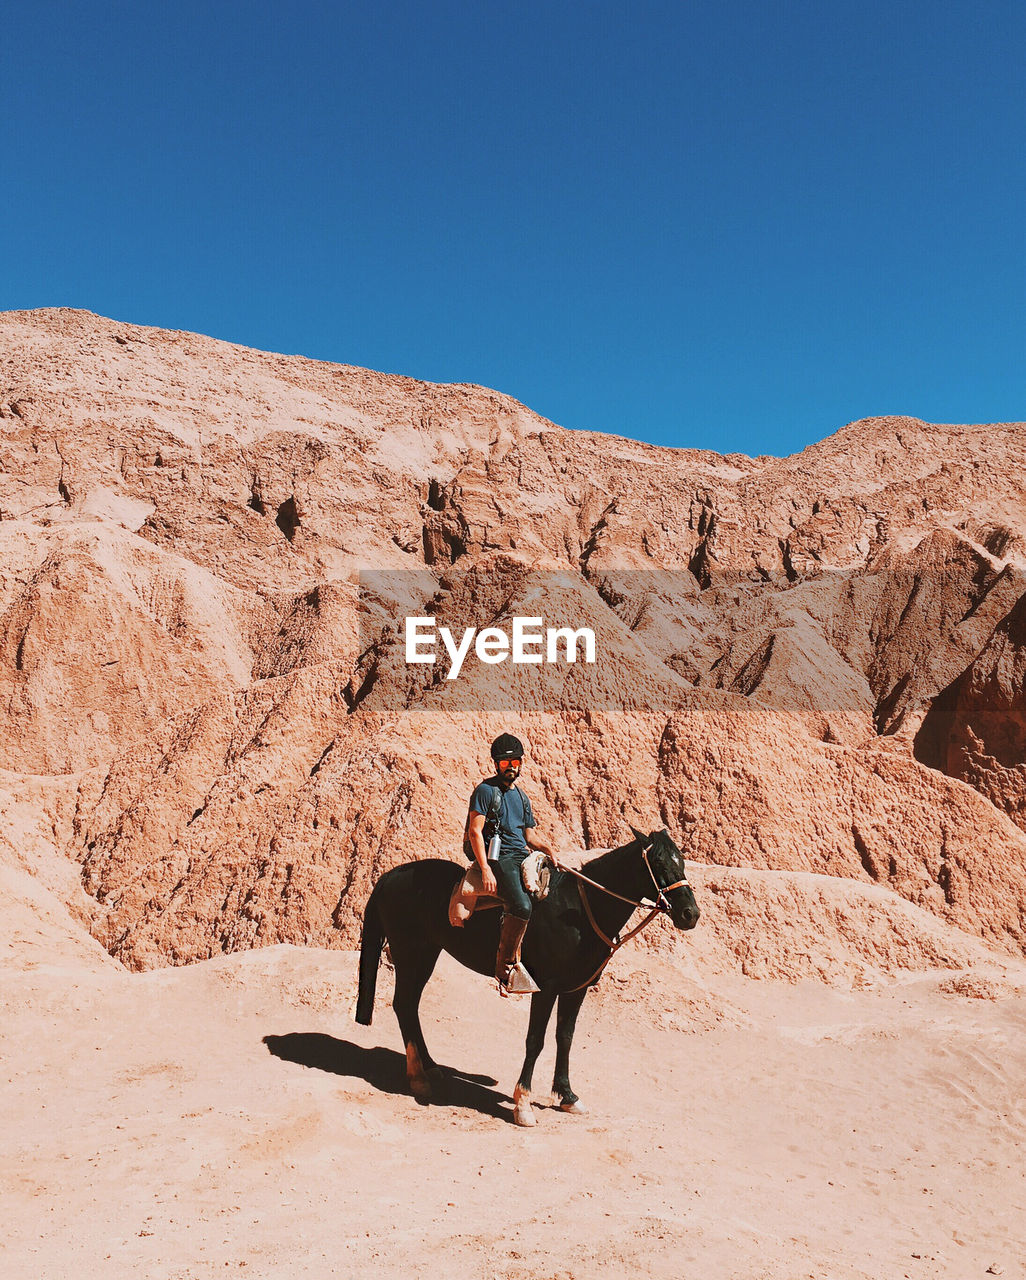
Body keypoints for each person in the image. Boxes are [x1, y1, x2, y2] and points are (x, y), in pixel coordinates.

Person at [465, 733, 555, 994]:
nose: (511, 767)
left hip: (522, 854)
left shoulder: (522, 797)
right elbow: (475, 832)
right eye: (505, 763)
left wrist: (547, 848)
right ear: (496, 764)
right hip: (500, 857)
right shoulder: (485, 791)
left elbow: (529, 835)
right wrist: (485, 869)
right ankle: (504, 968)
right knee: (521, 904)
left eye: (515, 762)